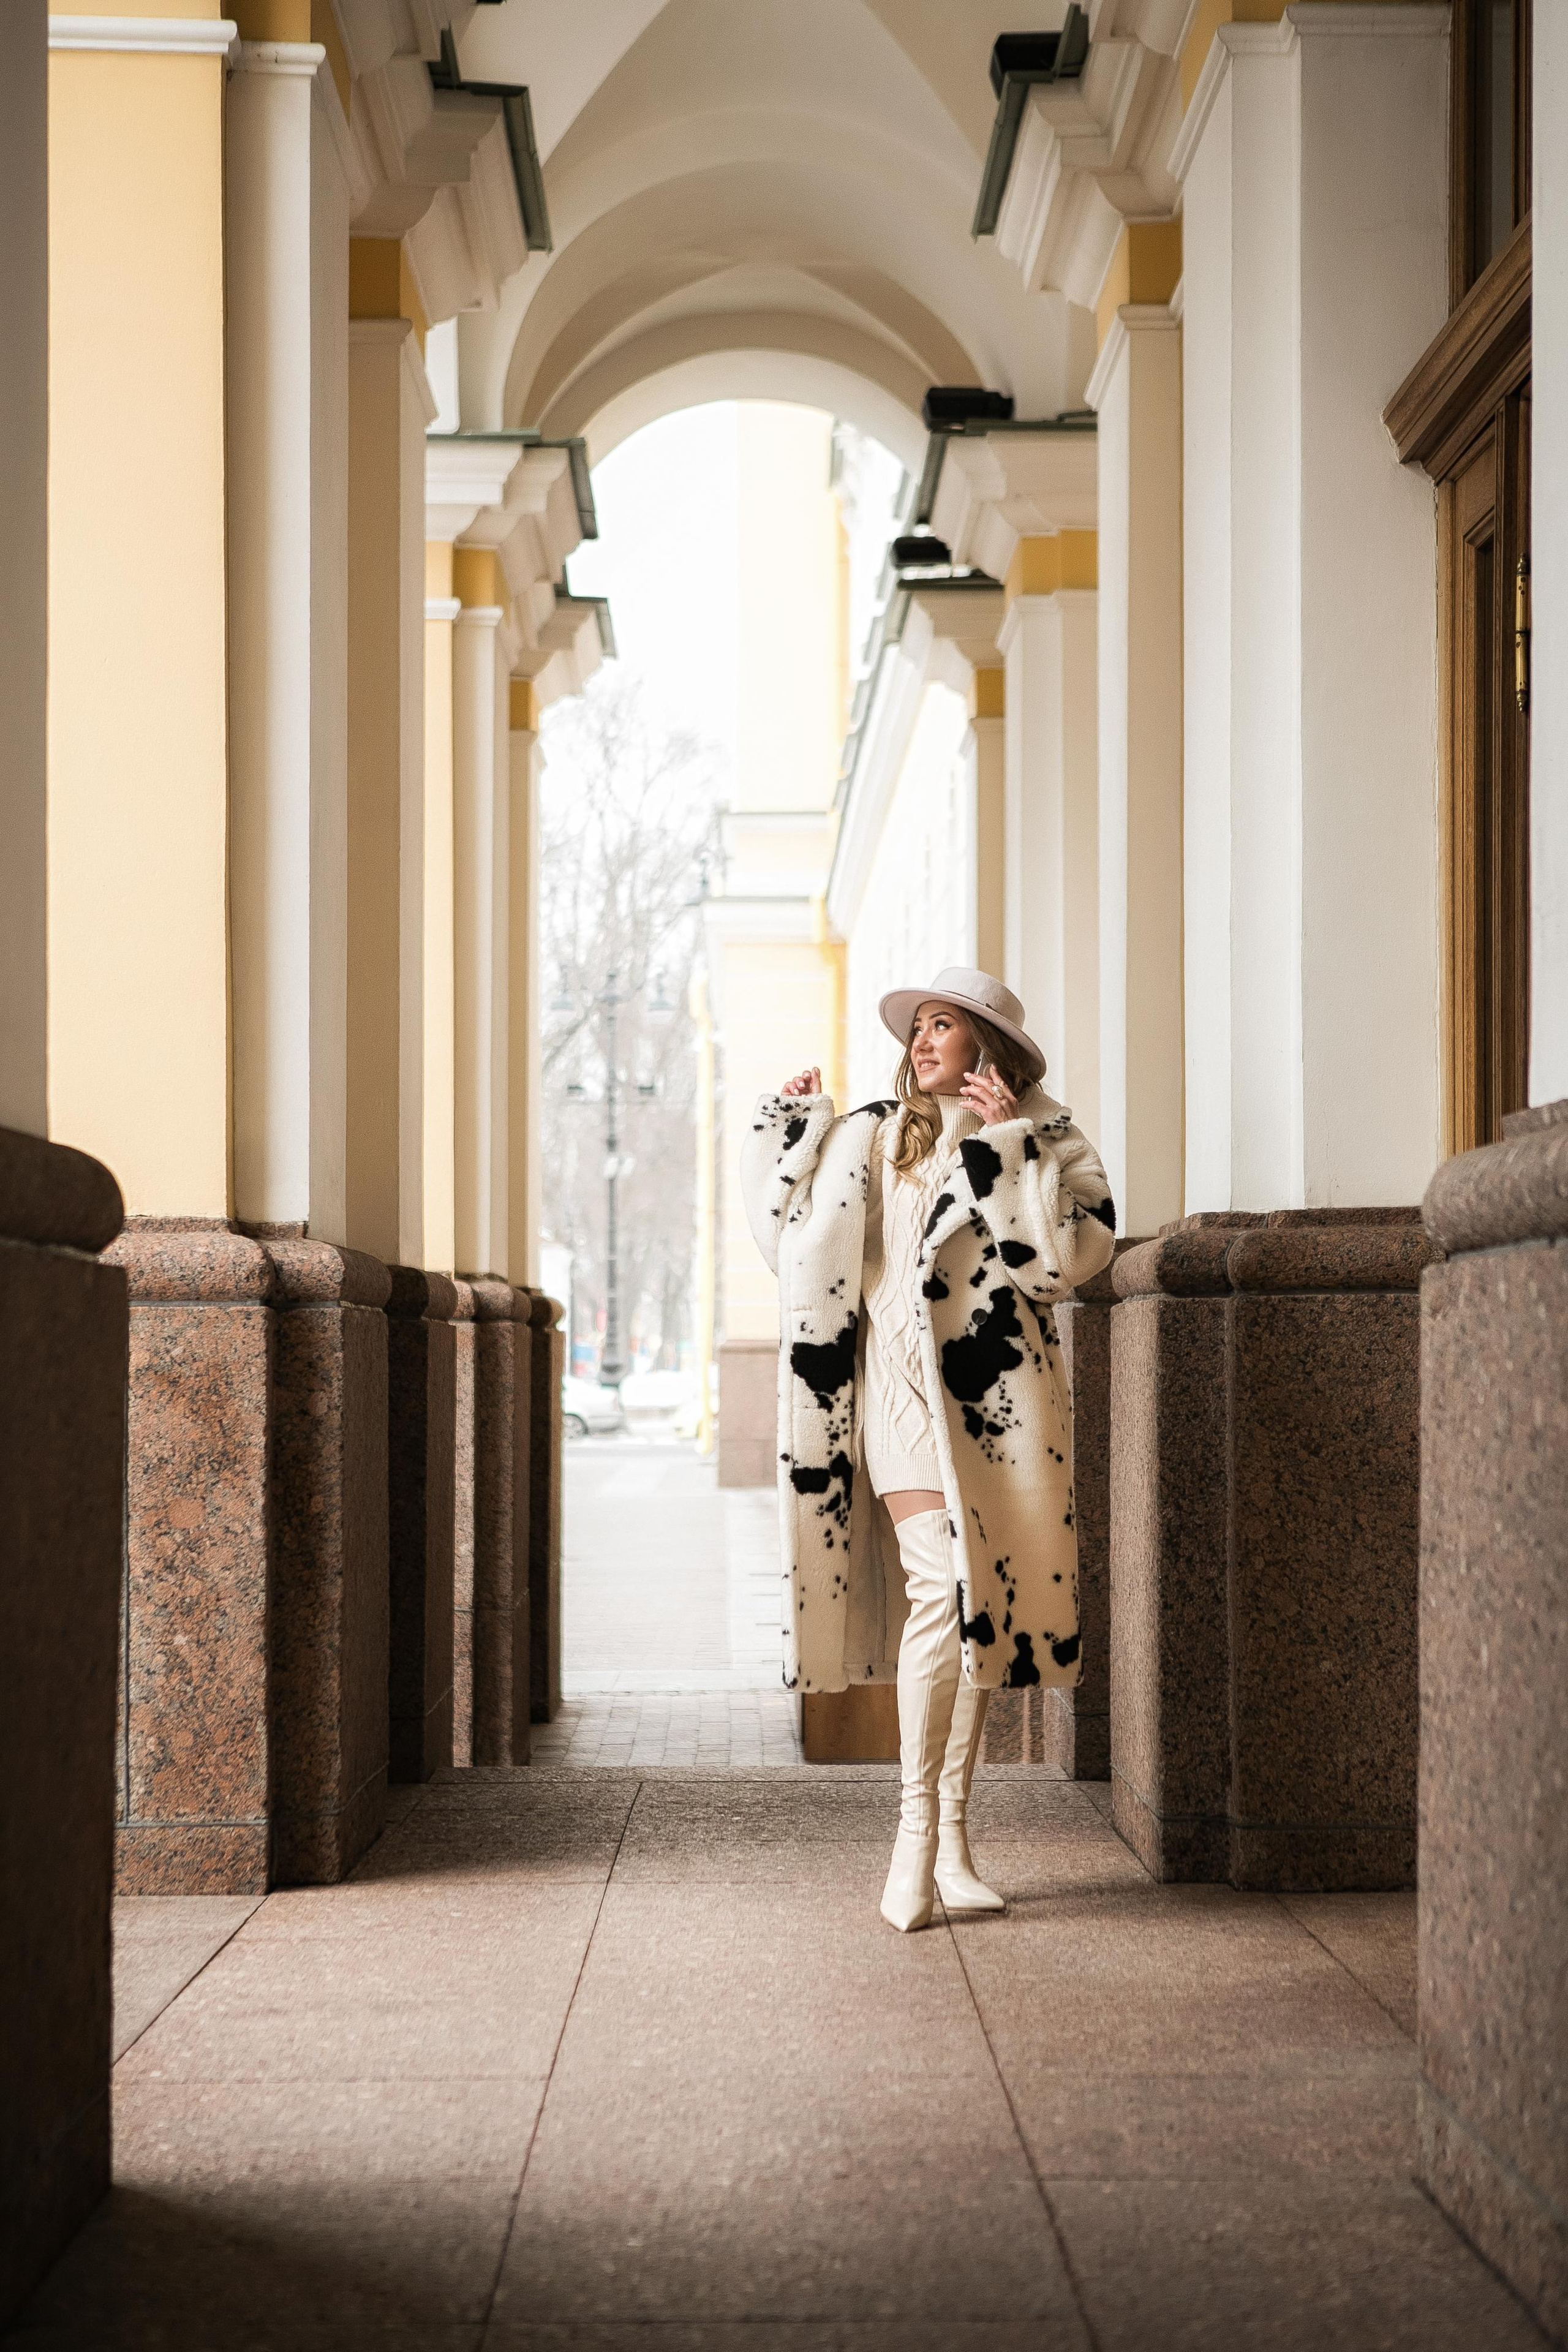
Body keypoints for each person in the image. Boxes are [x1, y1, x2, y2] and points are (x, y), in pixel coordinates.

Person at [741, 967, 1116, 1931]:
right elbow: (789, 1248)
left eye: (943, 1025)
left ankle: (952, 1840)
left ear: (989, 1046)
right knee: (939, 1592)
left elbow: (1062, 1266)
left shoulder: (1048, 1138)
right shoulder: (871, 1135)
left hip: (993, 1413)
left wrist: (1007, 1148)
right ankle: (915, 1829)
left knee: (970, 1607)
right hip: (896, 1403)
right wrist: (791, 1132)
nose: (921, 1040)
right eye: (918, 1026)